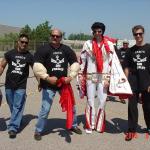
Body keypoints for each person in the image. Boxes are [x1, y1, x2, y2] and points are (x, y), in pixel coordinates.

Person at [33, 28, 82, 141]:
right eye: (53, 35)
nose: (55, 38)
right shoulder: (43, 49)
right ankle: (38, 130)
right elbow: (37, 66)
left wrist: (70, 77)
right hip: (48, 85)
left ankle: (73, 125)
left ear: (61, 37)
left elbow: (75, 63)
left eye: (57, 36)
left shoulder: (66, 49)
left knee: (71, 106)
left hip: (63, 84)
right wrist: (47, 78)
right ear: (50, 36)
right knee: (45, 109)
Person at [79, 22, 116, 134]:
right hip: (91, 75)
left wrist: (109, 78)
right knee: (90, 100)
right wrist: (80, 74)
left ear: (103, 32)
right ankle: (90, 124)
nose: (97, 33)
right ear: (93, 32)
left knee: (102, 100)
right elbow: (82, 60)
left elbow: (112, 62)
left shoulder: (109, 44)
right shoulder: (87, 43)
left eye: (99, 31)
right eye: (95, 31)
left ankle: (99, 124)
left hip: (103, 76)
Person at [0, 34, 34, 139]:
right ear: (18, 42)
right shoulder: (10, 54)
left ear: (28, 44)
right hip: (9, 84)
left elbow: (36, 70)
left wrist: (40, 82)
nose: (24, 44)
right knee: (12, 105)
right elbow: (2, 66)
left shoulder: (29, 56)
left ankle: (13, 128)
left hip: (21, 85)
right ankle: (18, 119)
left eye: (26, 42)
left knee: (17, 106)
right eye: (22, 42)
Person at [124, 25, 150, 141]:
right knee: (132, 108)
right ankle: (131, 130)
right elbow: (126, 67)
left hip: (146, 82)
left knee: (148, 107)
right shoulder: (130, 50)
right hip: (133, 83)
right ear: (133, 35)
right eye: (136, 34)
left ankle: (149, 127)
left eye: (140, 33)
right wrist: (125, 82)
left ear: (143, 33)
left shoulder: (149, 48)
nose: (138, 36)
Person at [116, 39, 130, 104]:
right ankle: (121, 98)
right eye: (124, 43)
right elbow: (116, 59)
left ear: (128, 44)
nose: (125, 44)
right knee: (121, 83)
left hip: (128, 70)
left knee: (128, 84)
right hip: (120, 70)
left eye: (126, 43)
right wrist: (121, 60)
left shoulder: (130, 50)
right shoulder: (119, 50)